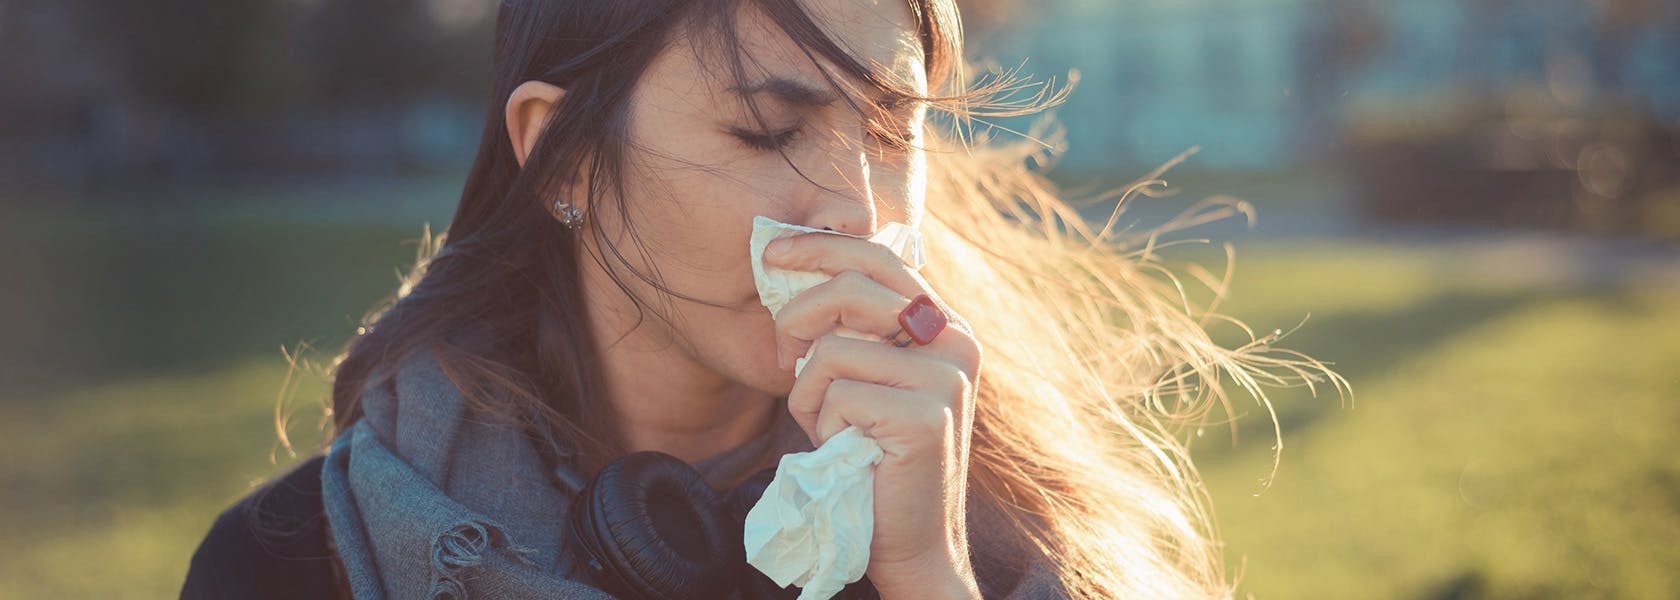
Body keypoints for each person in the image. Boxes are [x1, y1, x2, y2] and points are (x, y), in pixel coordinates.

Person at [184, 0, 1338, 598]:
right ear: (561, 160)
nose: (853, 209)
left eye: (893, 131)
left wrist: (928, 578)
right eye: (767, 129)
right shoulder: (297, 565)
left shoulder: (1001, 537)